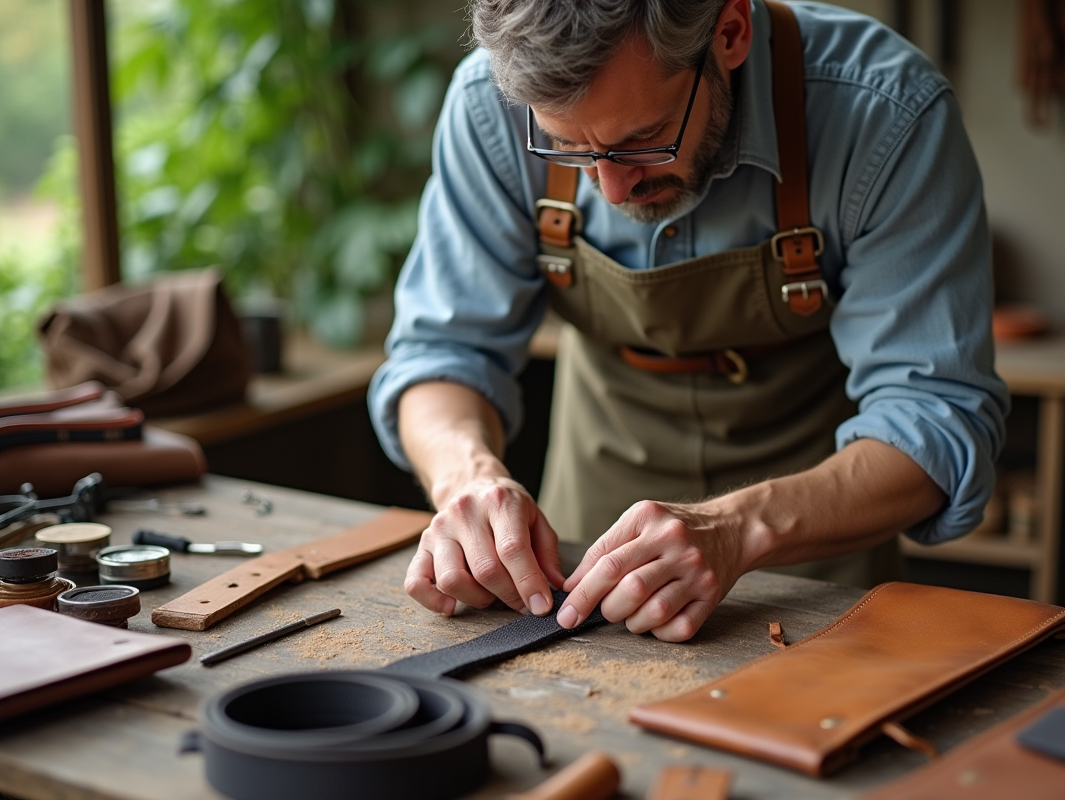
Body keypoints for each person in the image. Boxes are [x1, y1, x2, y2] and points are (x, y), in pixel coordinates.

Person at [368, 0, 1008, 642]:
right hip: (587, 549)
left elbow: (935, 419)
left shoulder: (885, 110)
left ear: (730, 32)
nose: (612, 189)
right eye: (569, 149)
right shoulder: (491, 104)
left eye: (643, 139)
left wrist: (738, 528)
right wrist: (468, 477)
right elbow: (443, 354)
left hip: (818, 565)